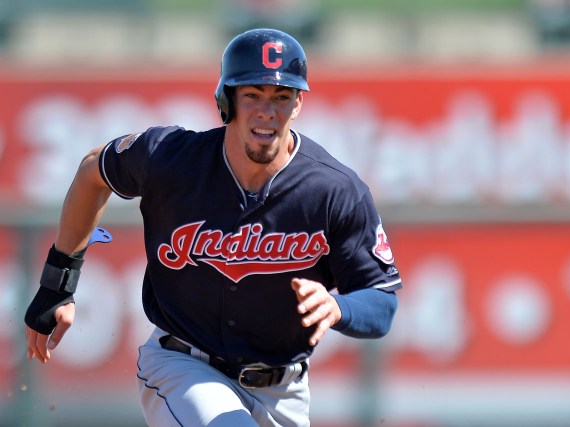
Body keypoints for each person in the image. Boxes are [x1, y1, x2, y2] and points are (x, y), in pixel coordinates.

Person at [24, 28, 402, 427]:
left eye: (281, 97)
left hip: (283, 389)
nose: (266, 112)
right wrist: (58, 283)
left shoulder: (334, 191)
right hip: (182, 366)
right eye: (252, 96)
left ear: (298, 104)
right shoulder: (171, 159)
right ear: (226, 101)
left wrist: (339, 306)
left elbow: (382, 302)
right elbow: (92, 173)